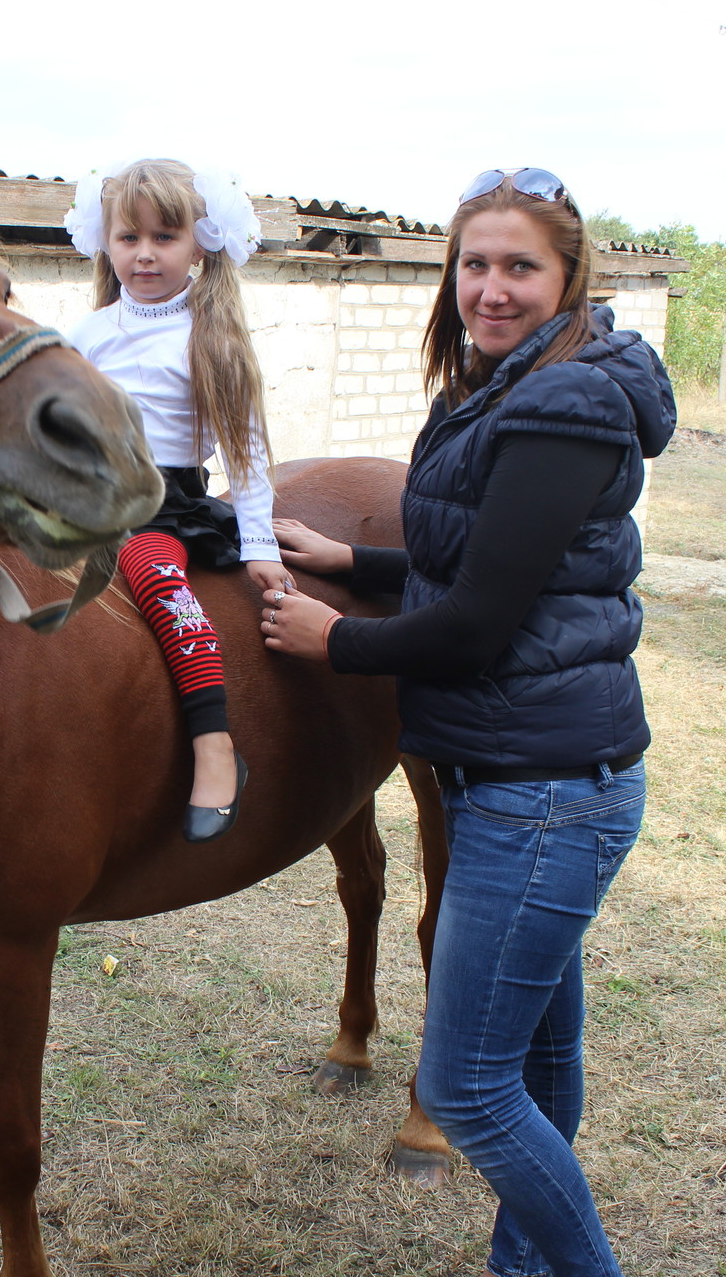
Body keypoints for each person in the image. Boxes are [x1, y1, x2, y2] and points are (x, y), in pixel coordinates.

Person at [262, 168, 675, 1277]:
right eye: (475, 264)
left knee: (468, 1089)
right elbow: (484, 561)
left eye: (520, 267)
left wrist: (335, 639)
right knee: (540, 1057)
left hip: (542, 792)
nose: (492, 288)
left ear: (569, 276)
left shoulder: (563, 402)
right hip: (537, 770)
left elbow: (482, 621)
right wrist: (356, 562)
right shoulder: (503, 383)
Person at [62, 158, 288, 841]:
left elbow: (247, 453)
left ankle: (213, 744)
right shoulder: (85, 335)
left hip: (162, 510)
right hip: (85, 503)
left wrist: (261, 544)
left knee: (158, 581)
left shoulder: (210, 338)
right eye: (129, 237)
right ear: (106, 243)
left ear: (199, 244)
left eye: (165, 237)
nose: (145, 253)